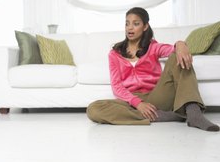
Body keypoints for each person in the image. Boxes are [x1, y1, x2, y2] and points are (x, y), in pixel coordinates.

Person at [87, 7, 219, 132]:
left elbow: (172, 50)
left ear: (145, 26)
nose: (130, 28)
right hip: (132, 100)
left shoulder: (153, 47)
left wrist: (180, 44)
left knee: (175, 57)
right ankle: (168, 116)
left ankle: (194, 114)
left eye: (136, 23)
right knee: (94, 109)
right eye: (127, 24)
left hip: (157, 95)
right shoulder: (115, 54)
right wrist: (138, 103)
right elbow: (117, 86)